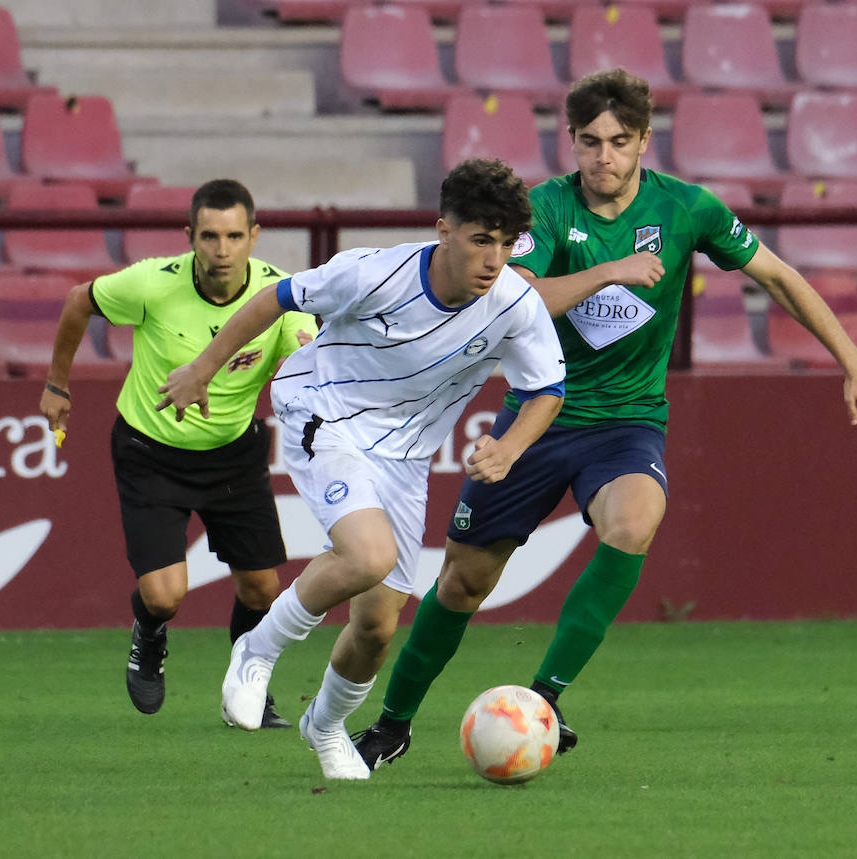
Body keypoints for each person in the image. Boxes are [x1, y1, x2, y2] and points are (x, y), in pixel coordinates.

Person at [353, 68, 857, 769]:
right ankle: (392, 723)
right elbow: (521, 300)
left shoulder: (686, 208)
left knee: (634, 520)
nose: (603, 156)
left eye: (618, 141)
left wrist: (854, 360)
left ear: (644, 141)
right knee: (462, 583)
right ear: (570, 142)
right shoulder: (543, 208)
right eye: (589, 142)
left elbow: (779, 277)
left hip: (628, 421)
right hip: (540, 413)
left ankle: (545, 697)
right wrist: (609, 272)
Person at [156, 158, 566, 780]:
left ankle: (323, 728)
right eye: (481, 240)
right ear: (444, 230)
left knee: (377, 624)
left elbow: (548, 389)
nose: (494, 258)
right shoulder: (375, 272)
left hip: (405, 458)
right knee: (367, 556)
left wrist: (510, 448)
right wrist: (202, 369)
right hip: (324, 412)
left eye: (506, 244)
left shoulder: (515, 303)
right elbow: (274, 298)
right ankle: (256, 650)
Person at [40, 179, 316, 726]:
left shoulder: (280, 295)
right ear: (189, 236)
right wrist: (57, 385)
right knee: (165, 596)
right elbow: (78, 302)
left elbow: (306, 354)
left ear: (254, 236)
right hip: (150, 451)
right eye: (209, 236)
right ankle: (149, 635)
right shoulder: (150, 283)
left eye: (235, 235)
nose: (222, 249)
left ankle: (247, 689)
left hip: (233, 455)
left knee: (262, 589)